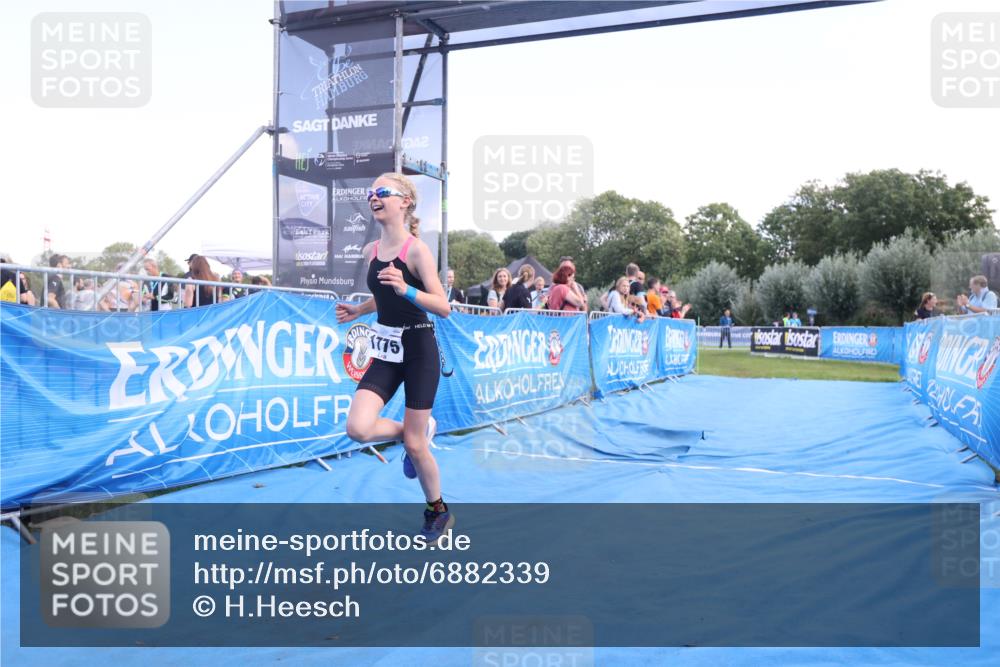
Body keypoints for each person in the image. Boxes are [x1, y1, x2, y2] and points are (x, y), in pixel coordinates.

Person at [335, 172, 453, 543]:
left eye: (383, 192)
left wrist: (407, 290)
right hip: (386, 349)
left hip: (419, 348)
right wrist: (359, 309)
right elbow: (384, 295)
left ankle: (438, 510)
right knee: (357, 428)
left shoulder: (416, 250)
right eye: (371, 192)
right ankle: (416, 433)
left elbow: (443, 307)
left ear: (404, 202)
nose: (375, 196)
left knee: (417, 448)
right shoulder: (372, 250)